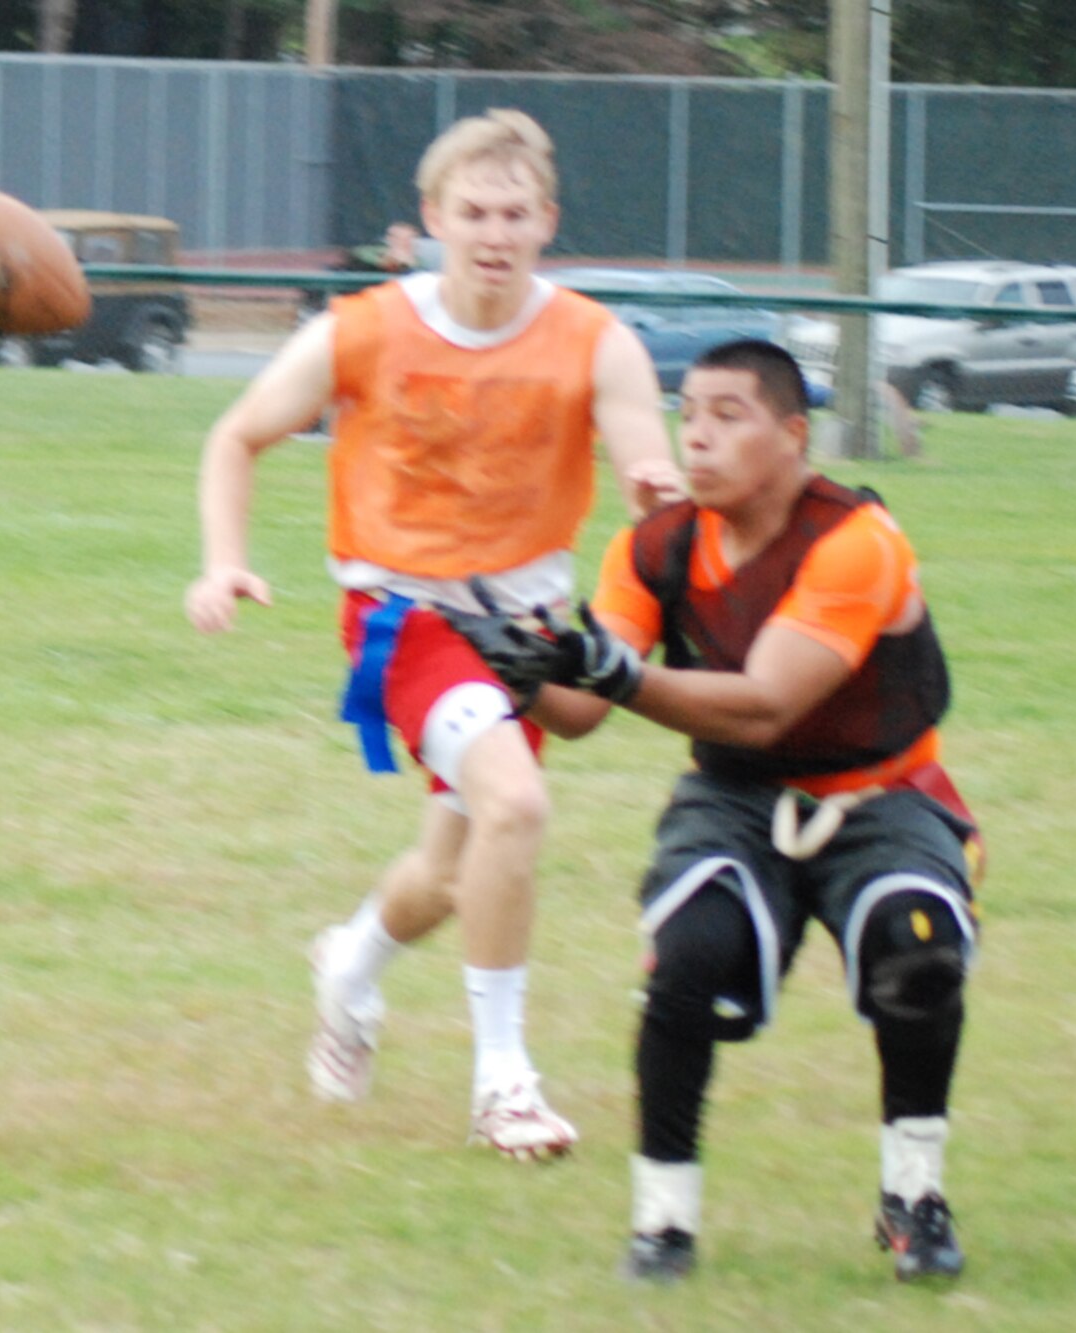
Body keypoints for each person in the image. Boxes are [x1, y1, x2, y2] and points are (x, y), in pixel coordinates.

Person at [183, 109, 683, 1158]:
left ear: (546, 221)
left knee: (455, 871)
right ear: (430, 219)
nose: (492, 233)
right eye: (472, 212)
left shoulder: (597, 341)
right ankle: (503, 1084)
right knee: (517, 803)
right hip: (402, 617)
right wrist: (223, 557)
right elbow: (236, 434)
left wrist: (656, 498)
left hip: (525, 630)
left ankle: (348, 966)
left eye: (513, 213)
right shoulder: (362, 329)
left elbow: (657, 486)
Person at [447, 339, 982, 1281]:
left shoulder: (857, 539)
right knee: (688, 957)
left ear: (793, 434)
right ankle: (663, 1221)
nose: (696, 436)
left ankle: (914, 1195)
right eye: (688, 411)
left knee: (919, 943)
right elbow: (579, 713)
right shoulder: (654, 545)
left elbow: (770, 698)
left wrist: (606, 669)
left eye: (728, 415)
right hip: (736, 795)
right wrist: (518, 663)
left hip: (882, 792)